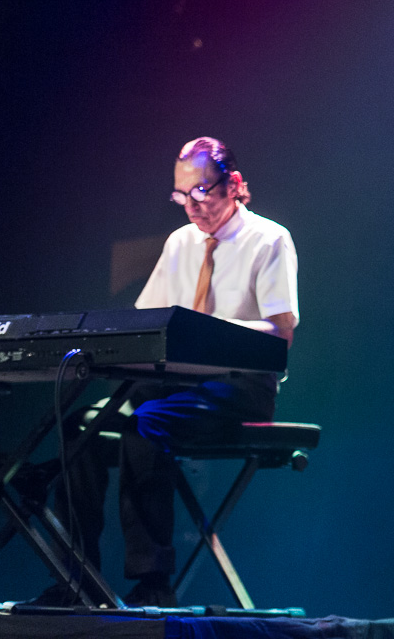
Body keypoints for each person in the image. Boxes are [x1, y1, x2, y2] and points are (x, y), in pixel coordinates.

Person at [37, 137, 299, 607]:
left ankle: (153, 581)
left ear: (234, 184)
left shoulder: (269, 239)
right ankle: (74, 579)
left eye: (201, 191)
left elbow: (279, 334)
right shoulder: (180, 243)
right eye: (181, 195)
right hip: (169, 385)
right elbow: (146, 322)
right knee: (79, 429)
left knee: (145, 425)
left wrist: (204, 333)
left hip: (237, 389)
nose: (191, 206)